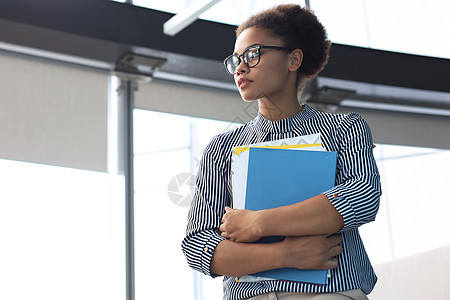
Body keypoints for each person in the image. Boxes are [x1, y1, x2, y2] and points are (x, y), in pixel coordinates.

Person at [182, 4, 381, 300]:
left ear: (293, 59)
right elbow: (198, 247)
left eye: (253, 54)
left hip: (330, 294)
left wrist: (258, 222)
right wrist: (285, 253)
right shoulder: (220, 149)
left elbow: (362, 197)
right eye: (236, 60)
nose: (240, 68)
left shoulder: (343, 128)